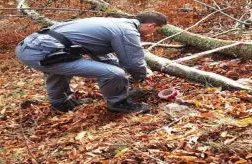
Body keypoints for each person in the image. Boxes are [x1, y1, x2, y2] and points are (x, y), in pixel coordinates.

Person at [15, 12, 168, 114]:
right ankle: (119, 104)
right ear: (151, 25)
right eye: (155, 30)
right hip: (41, 51)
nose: (152, 33)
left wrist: (126, 73)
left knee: (59, 69)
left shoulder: (116, 23)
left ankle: (60, 103)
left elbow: (101, 53)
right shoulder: (128, 31)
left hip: (30, 46)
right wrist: (140, 75)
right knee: (114, 74)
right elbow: (132, 62)